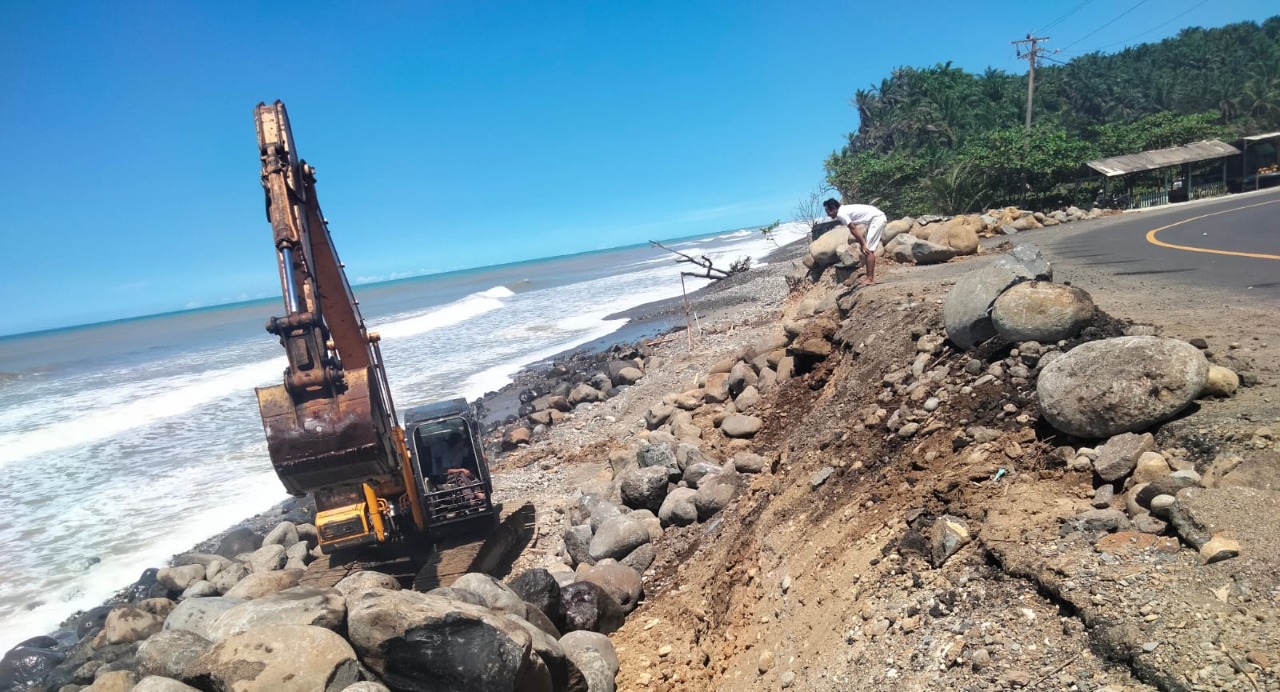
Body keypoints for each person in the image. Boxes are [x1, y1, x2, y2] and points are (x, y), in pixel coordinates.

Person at [823, 198, 886, 286]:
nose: (828, 214)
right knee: (867, 248)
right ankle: (868, 276)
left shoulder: (841, 213)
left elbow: (852, 228)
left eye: (828, 211)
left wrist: (863, 243)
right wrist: (862, 242)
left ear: (833, 209)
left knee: (868, 249)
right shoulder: (844, 210)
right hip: (875, 219)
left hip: (877, 219)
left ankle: (870, 279)